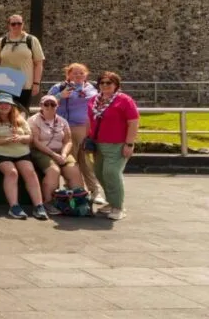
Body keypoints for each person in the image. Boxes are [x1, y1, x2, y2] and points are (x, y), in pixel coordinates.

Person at [0, 92, 48, 220]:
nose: (4, 106)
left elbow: (30, 137)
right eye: (1, 103)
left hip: (20, 151)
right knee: (12, 172)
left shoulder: (19, 119)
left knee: (30, 172)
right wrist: (4, 141)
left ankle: (39, 206)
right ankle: (14, 207)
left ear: (11, 106)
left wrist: (21, 137)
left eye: (7, 104)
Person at [48, 63, 104, 205]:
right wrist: (60, 95)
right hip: (65, 128)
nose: (78, 76)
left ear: (86, 74)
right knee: (70, 161)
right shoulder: (59, 87)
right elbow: (46, 102)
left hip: (84, 128)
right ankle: (74, 189)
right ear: (68, 75)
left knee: (85, 160)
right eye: (75, 73)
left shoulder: (92, 88)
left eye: (81, 73)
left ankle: (94, 190)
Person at [87, 72, 139, 221]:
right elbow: (89, 120)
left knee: (111, 173)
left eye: (109, 83)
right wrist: (88, 139)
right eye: (102, 83)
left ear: (116, 85)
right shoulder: (94, 100)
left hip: (117, 144)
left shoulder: (125, 100)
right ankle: (111, 202)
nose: (105, 85)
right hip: (98, 143)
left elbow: (133, 122)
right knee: (99, 172)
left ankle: (118, 207)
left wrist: (129, 143)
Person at [30, 94, 84, 215]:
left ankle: (78, 201)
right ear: (41, 106)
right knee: (54, 170)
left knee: (73, 169)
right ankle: (48, 202)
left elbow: (68, 141)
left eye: (53, 104)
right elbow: (36, 142)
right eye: (46, 104)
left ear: (57, 106)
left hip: (61, 151)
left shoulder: (62, 121)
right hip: (42, 151)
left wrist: (64, 154)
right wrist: (54, 155)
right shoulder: (34, 120)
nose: (50, 106)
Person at [0, 14, 45, 108]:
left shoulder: (31, 40)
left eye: (19, 23)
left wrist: (36, 83)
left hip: (25, 85)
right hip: (4, 85)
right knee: (4, 113)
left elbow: (38, 63)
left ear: (23, 24)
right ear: (8, 25)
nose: (16, 26)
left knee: (22, 113)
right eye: (13, 24)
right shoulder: (1, 42)